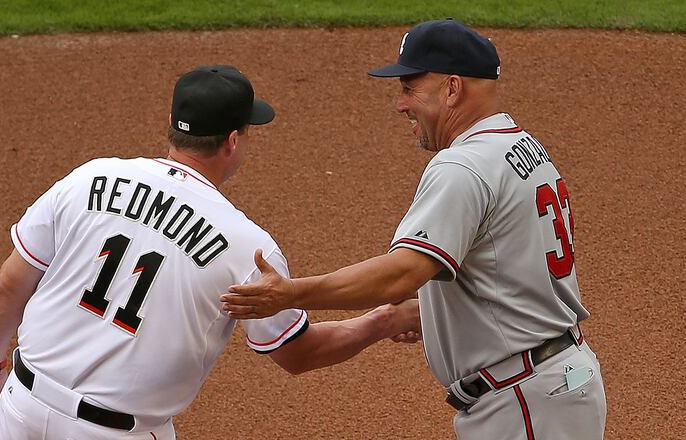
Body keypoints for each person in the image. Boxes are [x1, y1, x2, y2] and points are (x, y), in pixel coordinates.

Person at [0, 65, 418, 440]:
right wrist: (385, 319)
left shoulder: (90, 177)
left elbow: (8, 284)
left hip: (20, 410)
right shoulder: (248, 247)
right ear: (233, 140)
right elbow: (296, 354)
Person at [221, 19, 607, 440]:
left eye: (409, 88)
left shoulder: (462, 166)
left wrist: (292, 293)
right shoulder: (520, 146)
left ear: (452, 89)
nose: (400, 104)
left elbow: (401, 273)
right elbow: (506, 266)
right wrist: (439, 314)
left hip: (526, 402)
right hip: (548, 383)